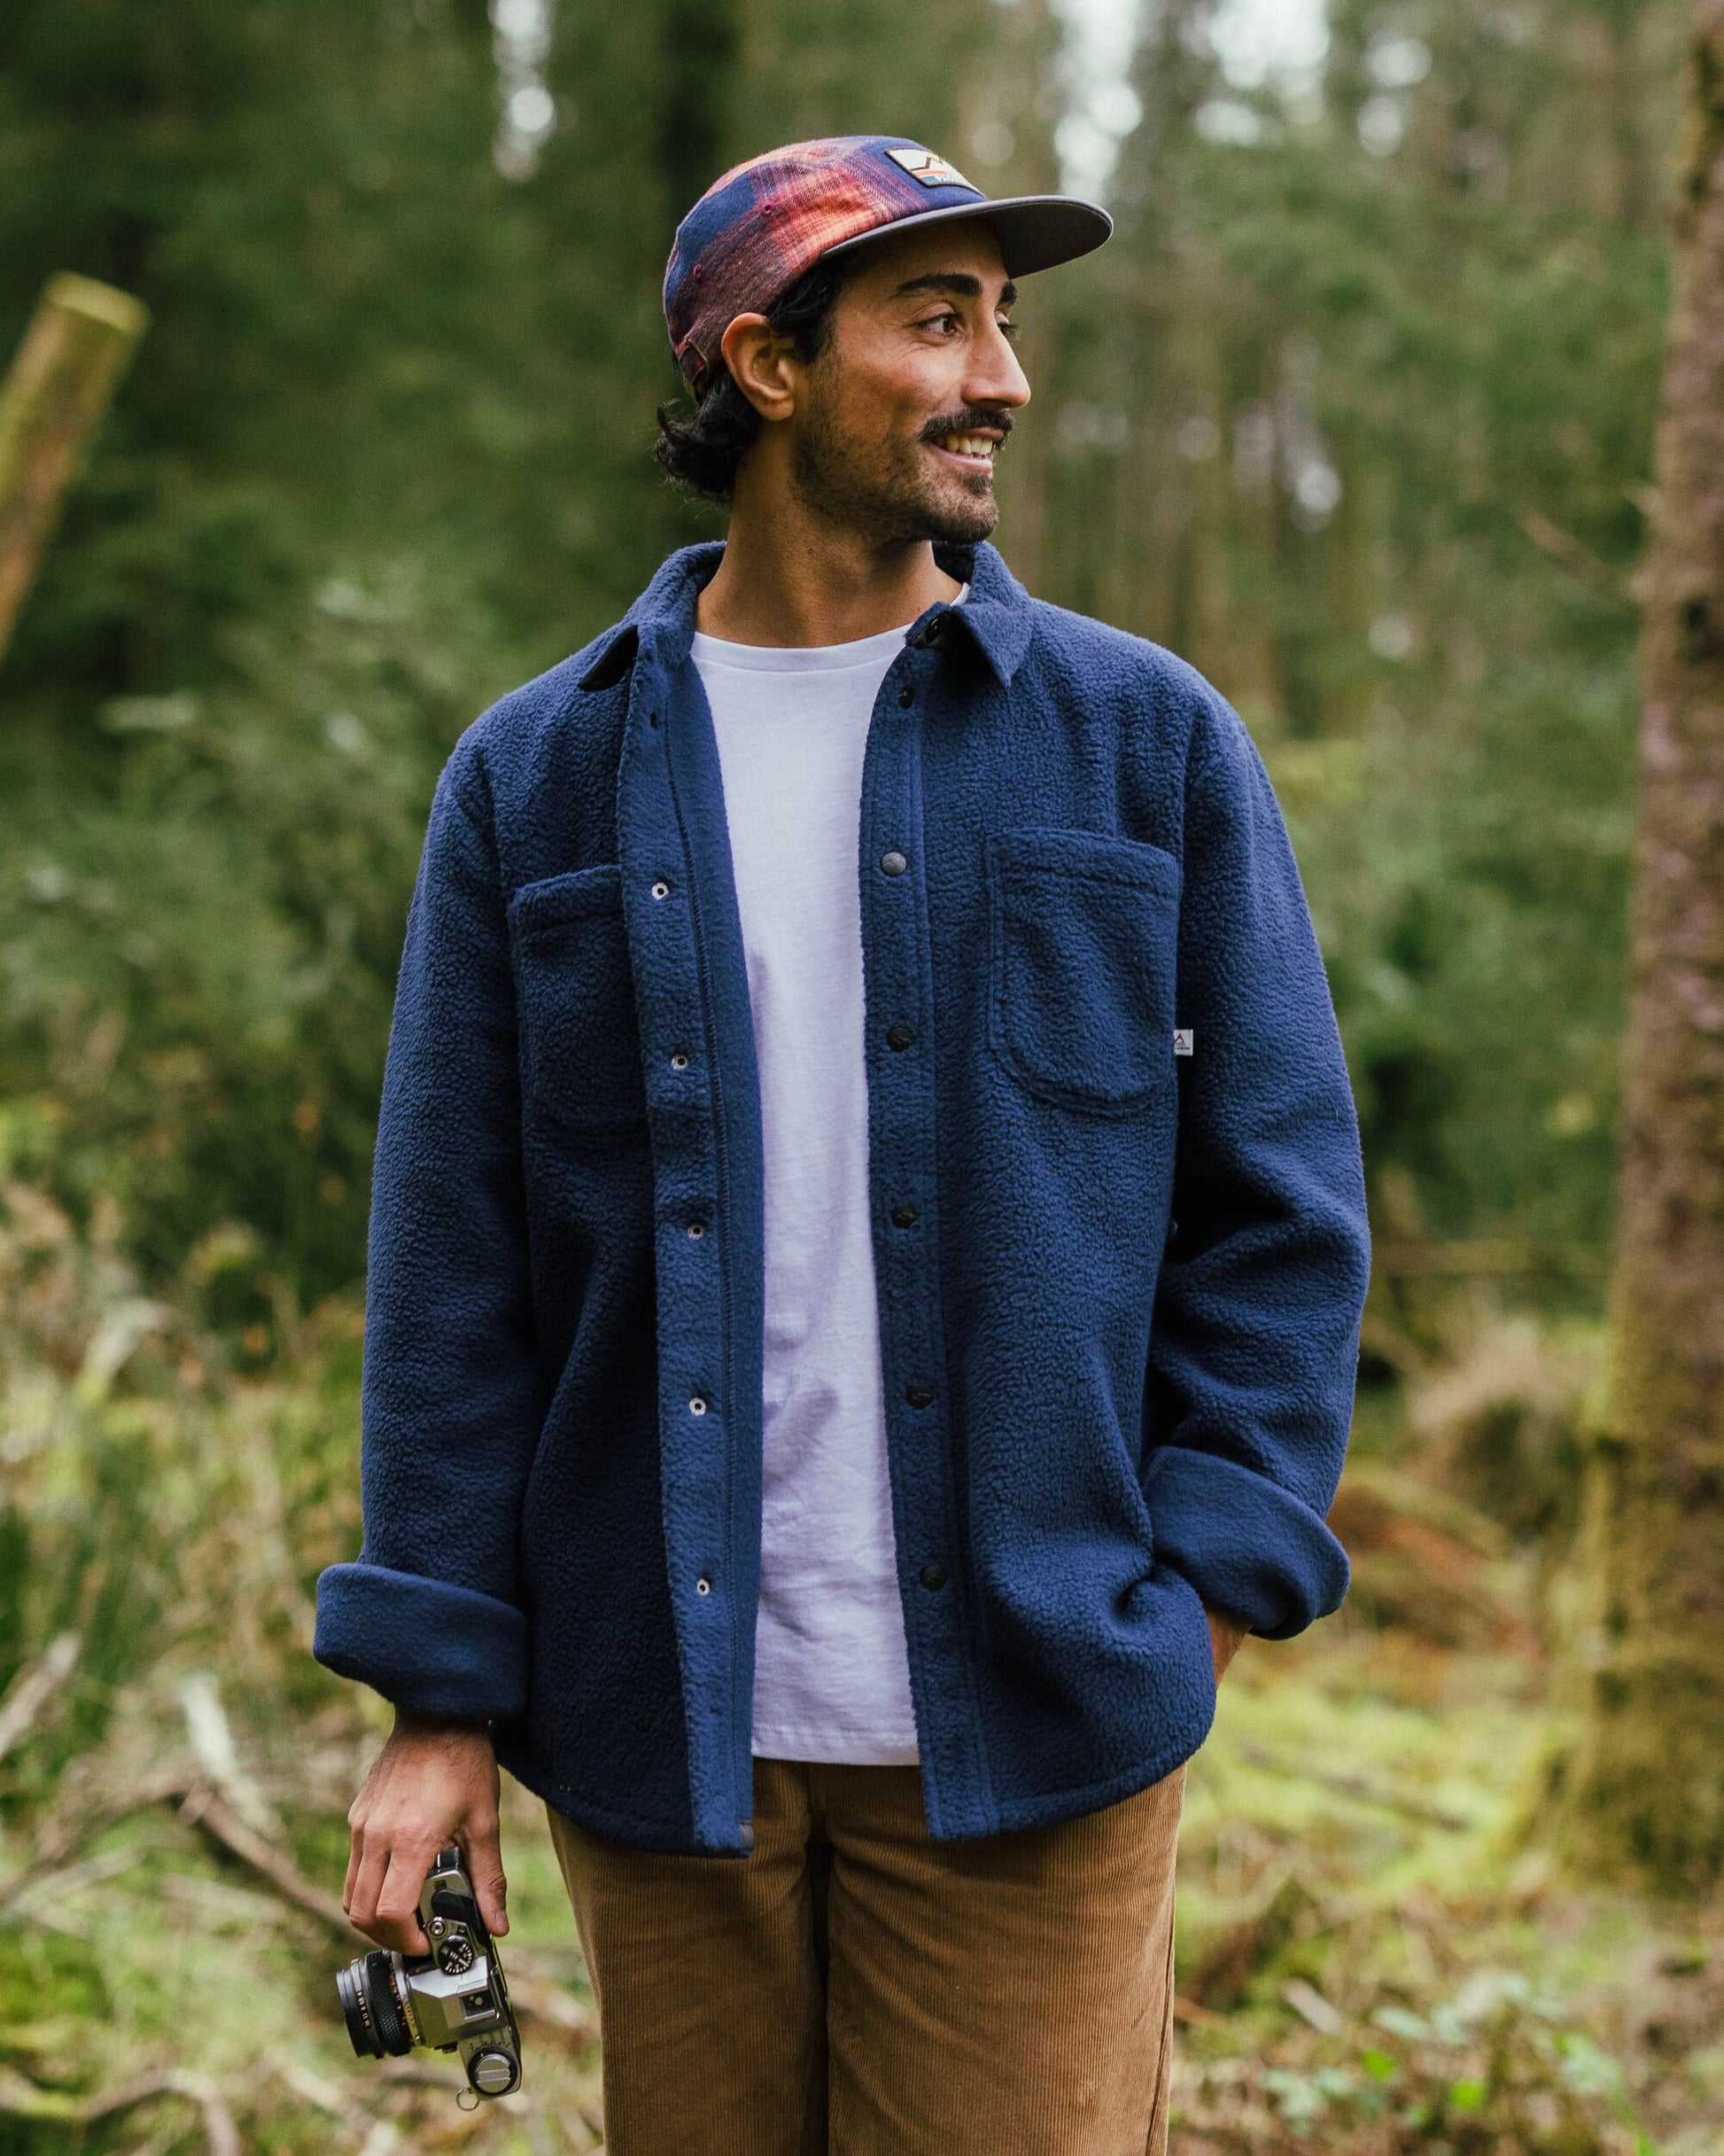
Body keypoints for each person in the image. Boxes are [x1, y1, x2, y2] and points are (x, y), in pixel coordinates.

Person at [315, 134, 1371, 2155]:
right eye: (937, 320)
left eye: (1004, 322)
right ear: (769, 365)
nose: (1004, 378)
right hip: (662, 1736)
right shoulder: (534, 780)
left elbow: (1281, 1210)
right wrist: (439, 1698)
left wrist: (1200, 1597)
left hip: (1039, 1730)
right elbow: (454, 1267)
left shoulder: (1142, 743)